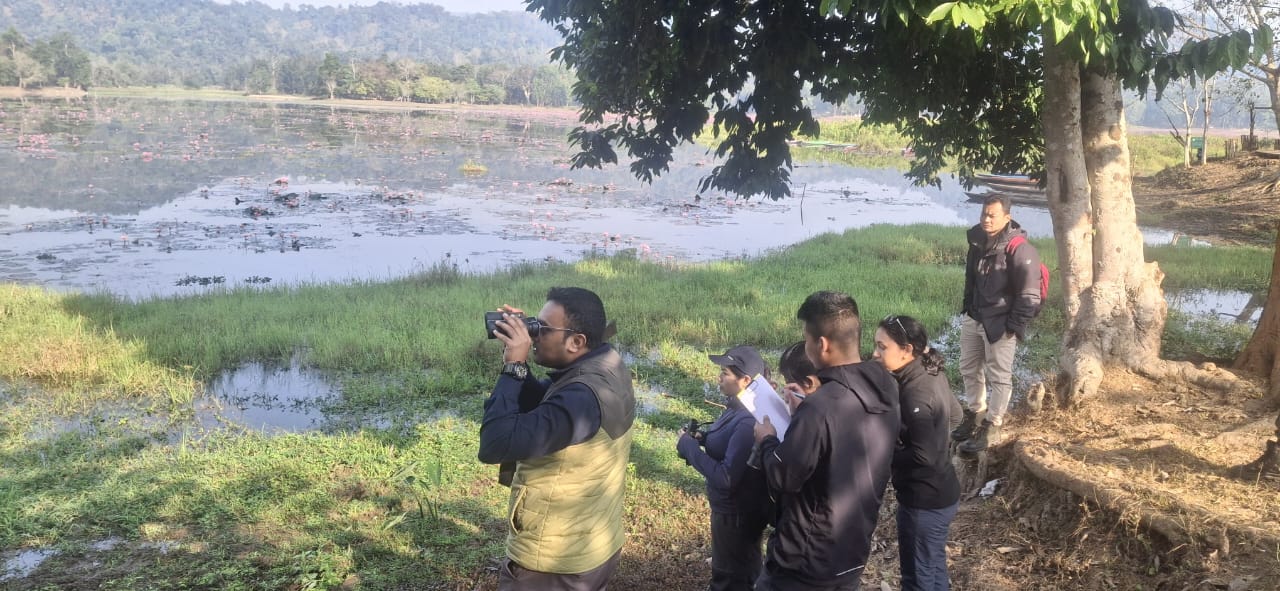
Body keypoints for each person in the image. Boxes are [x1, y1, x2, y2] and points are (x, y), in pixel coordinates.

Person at [478, 287, 636, 590]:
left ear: (577, 342)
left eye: (543, 328)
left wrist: (513, 368)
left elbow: (495, 444)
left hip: (553, 562)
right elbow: (549, 404)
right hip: (595, 542)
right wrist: (518, 363)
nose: (534, 335)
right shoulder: (606, 364)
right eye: (534, 325)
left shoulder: (581, 398)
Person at [753, 291, 900, 591]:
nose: (806, 347)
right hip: (852, 552)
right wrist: (805, 419)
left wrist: (767, 440)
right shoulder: (886, 387)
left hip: (805, 563)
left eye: (806, 339)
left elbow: (783, 476)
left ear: (821, 344)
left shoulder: (820, 407)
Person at [873, 315, 962, 591]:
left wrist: (884, 455)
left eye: (882, 347)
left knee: (916, 578)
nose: (875, 353)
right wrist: (935, 441)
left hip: (924, 503)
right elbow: (956, 415)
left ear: (906, 349)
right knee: (933, 566)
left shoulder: (915, 392)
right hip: (943, 493)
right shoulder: (930, 369)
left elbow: (924, 456)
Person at [677, 345, 772, 591]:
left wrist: (689, 448)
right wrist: (703, 438)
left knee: (732, 577)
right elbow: (728, 444)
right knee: (732, 570)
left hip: (736, 517)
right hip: (729, 513)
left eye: (725, 373)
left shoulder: (748, 419)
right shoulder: (737, 406)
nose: (719, 377)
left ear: (745, 380)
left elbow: (726, 477)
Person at [956, 194, 1042, 453]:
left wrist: (1012, 326)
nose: (987, 219)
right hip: (975, 316)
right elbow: (971, 279)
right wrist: (969, 307)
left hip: (1001, 322)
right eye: (984, 213)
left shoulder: (1020, 249)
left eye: (993, 215)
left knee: (999, 376)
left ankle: (993, 426)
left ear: (1007, 217)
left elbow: (1029, 295)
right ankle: (976, 414)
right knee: (968, 367)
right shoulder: (977, 241)